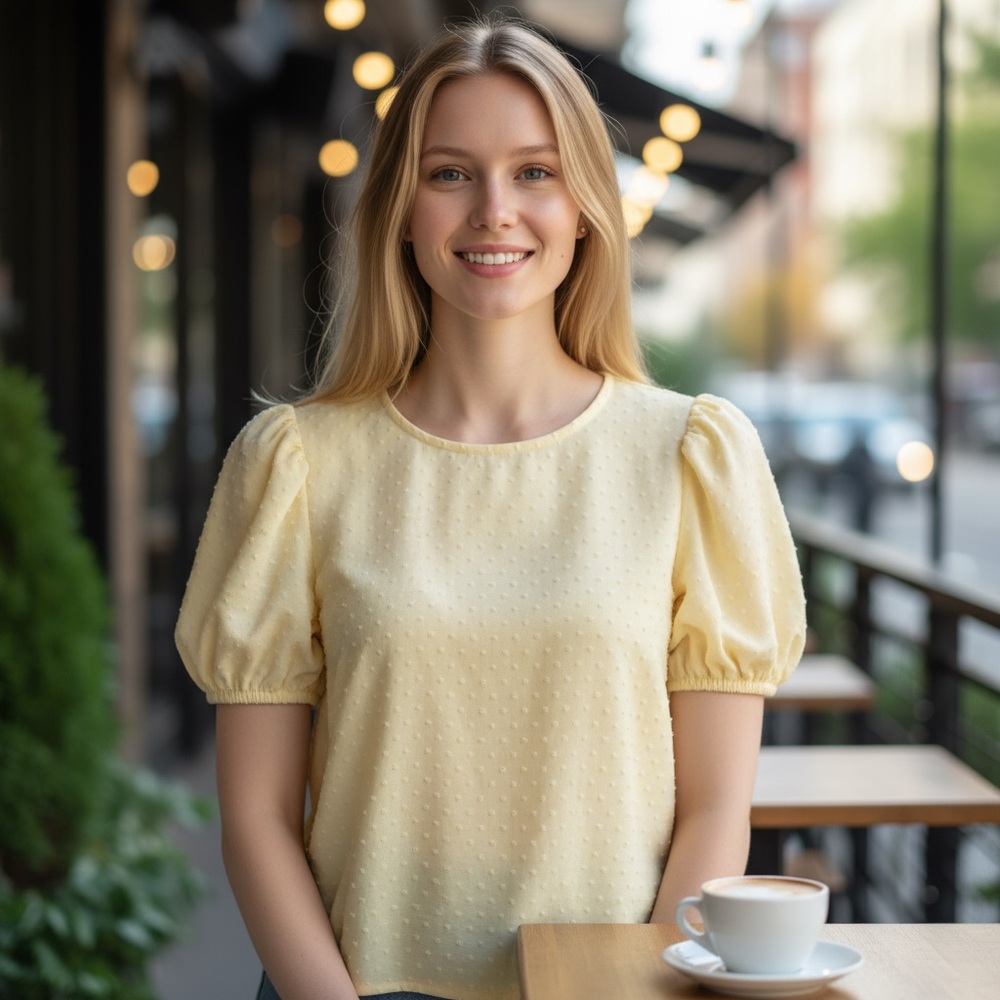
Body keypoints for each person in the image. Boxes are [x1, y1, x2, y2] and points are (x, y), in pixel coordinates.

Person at [175, 13, 806, 1000]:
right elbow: (255, 817)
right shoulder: (296, 463)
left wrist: (639, 992)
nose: (493, 211)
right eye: (449, 172)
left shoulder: (688, 456)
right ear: (399, 207)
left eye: (535, 172)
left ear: (587, 204)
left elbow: (715, 804)